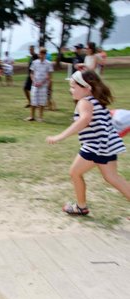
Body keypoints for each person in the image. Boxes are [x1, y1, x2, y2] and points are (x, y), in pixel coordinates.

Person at [46, 70, 129, 215]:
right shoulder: (95, 101)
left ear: (87, 87)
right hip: (107, 145)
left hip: (96, 146)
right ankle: (81, 206)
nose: (70, 90)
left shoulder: (84, 102)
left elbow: (84, 120)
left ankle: (80, 207)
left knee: (74, 173)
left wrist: (60, 136)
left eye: (73, 86)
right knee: (112, 178)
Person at [25, 47, 53, 122]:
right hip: (35, 84)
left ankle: (40, 117)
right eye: (41, 53)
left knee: (42, 101)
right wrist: (34, 81)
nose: (42, 55)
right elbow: (31, 73)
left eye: (43, 53)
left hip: (43, 85)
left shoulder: (48, 63)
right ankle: (32, 116)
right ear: (39, 54)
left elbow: (49, 75)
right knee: (33, 100)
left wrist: (42, 83)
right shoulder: (35, 62)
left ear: (45, 54)